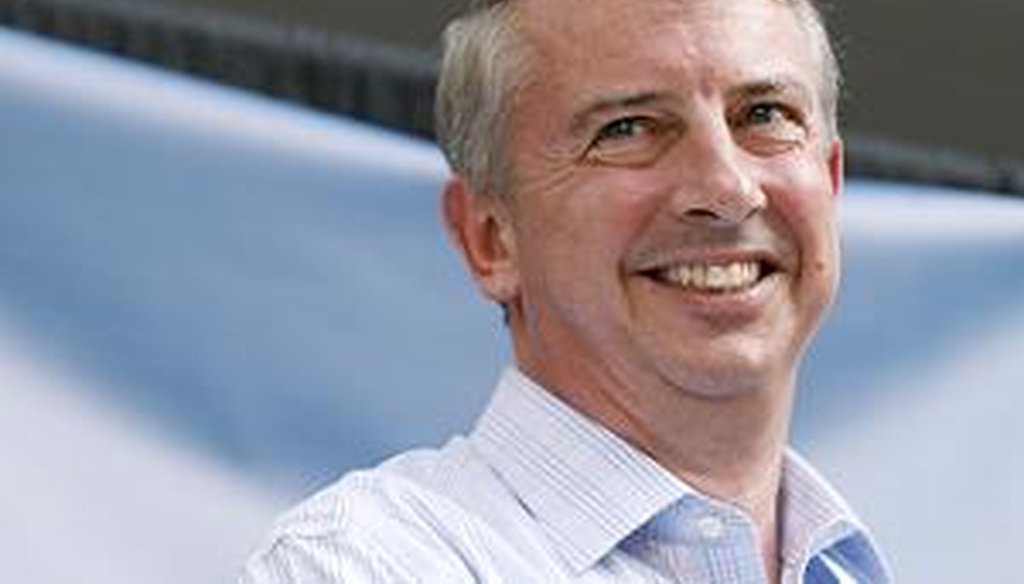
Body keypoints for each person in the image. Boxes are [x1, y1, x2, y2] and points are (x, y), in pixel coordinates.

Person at [241, 0, 891, 581]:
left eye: (764, 115)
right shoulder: (364, 565)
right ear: (490, 239)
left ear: (830, 181)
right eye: (628, 129)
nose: (726, 189)